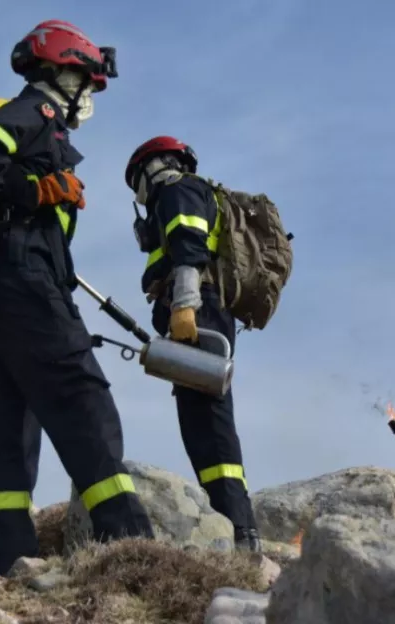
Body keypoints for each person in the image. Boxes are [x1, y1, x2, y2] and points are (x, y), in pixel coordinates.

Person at [0, 19, 154, 576]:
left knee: (4, 418)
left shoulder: (40, 128)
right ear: (62, 72)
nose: (89, 96)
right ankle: (132, 549)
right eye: (87, 82)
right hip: (20, 276)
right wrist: (32, 187)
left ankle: (11, 558)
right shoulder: (36, 115)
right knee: (81, 395)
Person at [123, 136, 262, 552]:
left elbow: (189, 246)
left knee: (210, 423)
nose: (139, 191)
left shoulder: (177, 189)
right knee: (202, 424)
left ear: (152, 167)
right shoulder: (185, 191)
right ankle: (232, 524)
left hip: (198, 313)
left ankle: (240, 530)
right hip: (199, 315)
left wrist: (184, 305)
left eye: (138, 180)